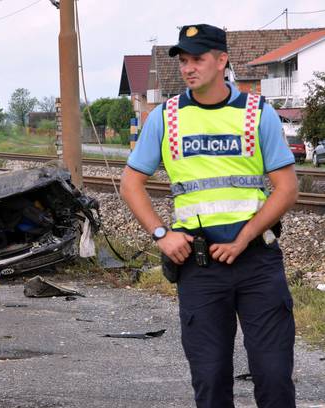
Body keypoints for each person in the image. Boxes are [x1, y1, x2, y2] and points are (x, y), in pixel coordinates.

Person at [120, 24, 297, 408]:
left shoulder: (257, 114)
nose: (188, 68)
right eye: (183, 60)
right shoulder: (166, 118)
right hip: (199, 268)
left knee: (274, 377)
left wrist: (244, 238)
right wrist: (161, 234)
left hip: (257, 264)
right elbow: (130, 184)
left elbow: (287, 188)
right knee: (211, 381)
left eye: (197, 59)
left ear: (221, 61)